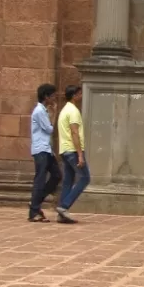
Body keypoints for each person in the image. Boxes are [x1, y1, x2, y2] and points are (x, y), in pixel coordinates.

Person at [28, 83, 62, 222]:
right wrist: (53, 114)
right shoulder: (39, 111)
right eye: (52, 95)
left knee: (57, 175)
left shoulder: (42, 110)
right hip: (40, 149)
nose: (54, 98)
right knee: (40, 180)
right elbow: (49, 129)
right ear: (46, 97)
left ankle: (35, 203)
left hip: (46, 149)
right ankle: (34, 211)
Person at [56, 83, 89, 223]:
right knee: (84, 178)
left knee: (68, 181)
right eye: (80, 94)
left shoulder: (64, 110)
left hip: (64, 149)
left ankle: (61, 213)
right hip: (72, 150)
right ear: (74, 95)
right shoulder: (73, 111)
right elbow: (74, 132)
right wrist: (80, 154)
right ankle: (64, 206)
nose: (81, 96)